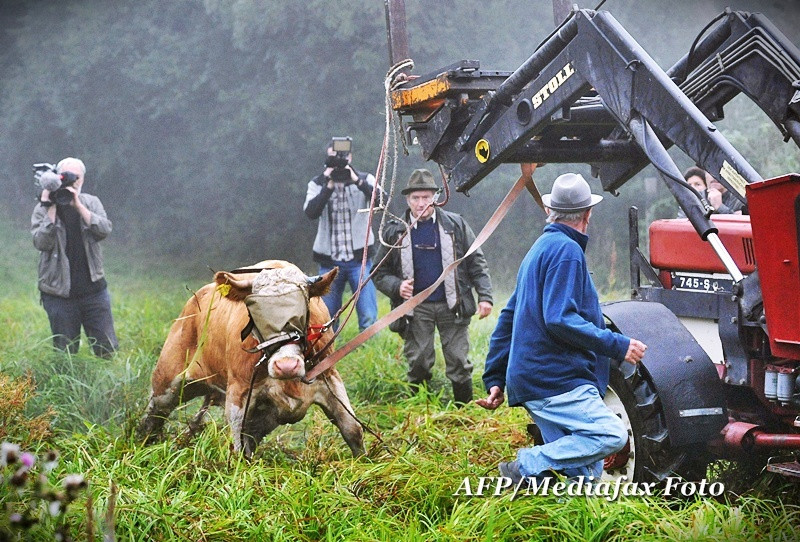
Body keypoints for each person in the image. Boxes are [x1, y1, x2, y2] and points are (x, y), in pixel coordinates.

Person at [477, 170, 647, 482]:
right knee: (611, 435)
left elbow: (508, 318)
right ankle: (526, 466)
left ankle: (552, 520)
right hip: (556, 381)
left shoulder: (538, 251)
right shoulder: (567, 252)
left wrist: (495, 378)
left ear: (549, 211)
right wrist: (619, 345)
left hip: (532, 383)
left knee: (584, 477)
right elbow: (560, 320)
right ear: (588, 213)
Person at [373, 169, 493, 406]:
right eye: (416, 198)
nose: (421, 204)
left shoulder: (455, 224)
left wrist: (485, 296)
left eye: (426, 197)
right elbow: (378, 273)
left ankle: (464, 412)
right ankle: (419, 413)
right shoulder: (394, 231)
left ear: (436, 197)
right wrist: (397, 287)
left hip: (453, 306)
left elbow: (476, 261)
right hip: (415, 310)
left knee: (459, 361)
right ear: (408, 200)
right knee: (418, 362)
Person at [31, 157, 118, 357]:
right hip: (58, 294)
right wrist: (51, 207)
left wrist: (78, 205)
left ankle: (109, 385)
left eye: (75, 177)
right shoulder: (42, 208)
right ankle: (69, 385)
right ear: (56, 178)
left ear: (82, 180)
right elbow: (41, 243)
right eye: (66, 177)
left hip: (93, 290)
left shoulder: (91, 202)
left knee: (106, 349)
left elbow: (104, 230)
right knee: (65, 352)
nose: (71, 182)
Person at [303, 140, 379, 331]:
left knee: (368, 313)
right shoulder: (317, 183)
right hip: (329, 262)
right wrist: (327, 185)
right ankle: (328, 348)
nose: (338, 161)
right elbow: (311, 212)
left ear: (350, 157)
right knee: (325, 316)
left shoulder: (364, 178)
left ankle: (368, 346)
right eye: (333, 157)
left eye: (342, 157)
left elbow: (381, 200)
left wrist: (357, 180)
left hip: (358, 260)